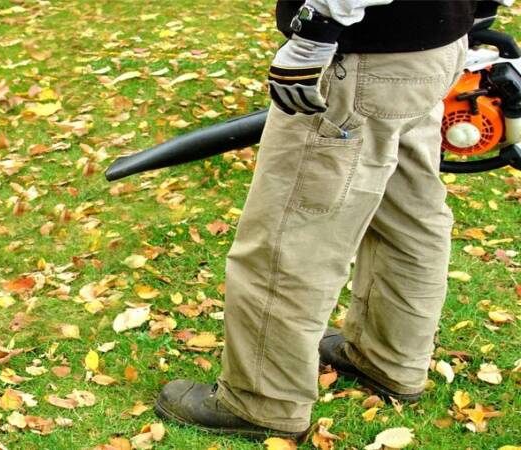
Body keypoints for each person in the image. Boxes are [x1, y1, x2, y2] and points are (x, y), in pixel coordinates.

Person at [154, 0, 514, 441]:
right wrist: (478, 9)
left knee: (292, 235)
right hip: (432, 44)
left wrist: (315, 34)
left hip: (362, 54)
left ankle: (262, 401)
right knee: (407, 214)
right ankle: (389, 359)